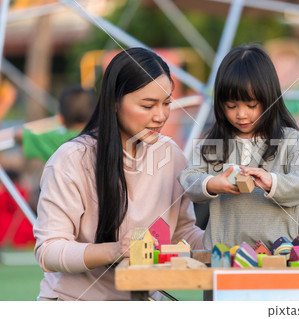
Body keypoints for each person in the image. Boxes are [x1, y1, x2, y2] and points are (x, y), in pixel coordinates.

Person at [34, 47, 204, 301]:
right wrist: (114, 250)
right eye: (148, 105)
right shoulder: (71, 160)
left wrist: (234, 235)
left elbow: (182, 235)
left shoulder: (171, 156)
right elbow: (48, 250)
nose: (161, 116)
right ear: (114, 102)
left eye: (167, 103)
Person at [179, 44, 299, 250]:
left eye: (251, 105)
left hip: (277, 254)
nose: (241, 114)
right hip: (223, 255)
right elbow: (188, 178)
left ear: (269, 98)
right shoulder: (213, 143)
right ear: (220, 104)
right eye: (231, 106)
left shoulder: (288, 139)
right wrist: (211, 184)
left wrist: (272, 181)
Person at [16, 85, 96, 162]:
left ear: (61, 118)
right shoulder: (97, 137)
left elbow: (19, 135)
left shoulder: (58, 140)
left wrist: (54, 122)